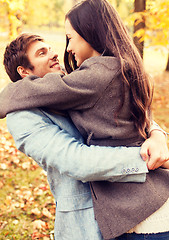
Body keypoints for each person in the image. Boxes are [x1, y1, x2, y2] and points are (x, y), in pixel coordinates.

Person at [0, 0, 169, 237]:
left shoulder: (84, 81)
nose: (60, 50)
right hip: (91, 223)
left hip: (139, 211)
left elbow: (131, 111)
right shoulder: (24, 116)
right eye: (42, 52)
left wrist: (157, 134)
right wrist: (150, 158)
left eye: (55, 45)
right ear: (24, 73)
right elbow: (78, 161)